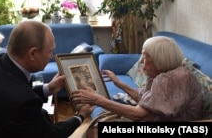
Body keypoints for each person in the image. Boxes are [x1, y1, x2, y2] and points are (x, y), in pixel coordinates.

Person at [0, 20, 94, 138]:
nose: (52, 56)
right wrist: (80, 116)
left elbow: (17, 93)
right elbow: (50, 134)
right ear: (32, 53)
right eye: (50, 51)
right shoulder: (20, 100)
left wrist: (49, 88)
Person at [71, 36, 202, 121]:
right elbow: (145, 98)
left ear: (159, 61)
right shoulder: (159, 74)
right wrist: (118, 83)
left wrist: (97, 99)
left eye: (145, 59)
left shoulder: (174, 79)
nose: (142, 65)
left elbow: (139, 114)